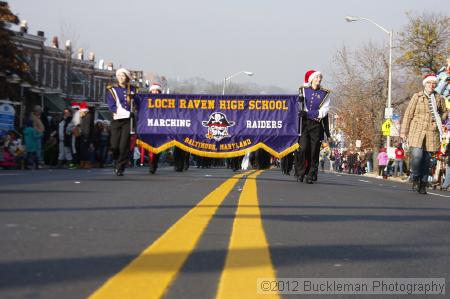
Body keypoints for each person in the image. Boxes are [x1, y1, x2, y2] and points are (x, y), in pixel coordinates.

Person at [400, 73, 447, 194]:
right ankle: (415, 177)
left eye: (433, 83)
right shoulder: (417, 96)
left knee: (427, 161)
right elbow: (408, 114)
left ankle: (423, 184)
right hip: (417, 131)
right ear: (425, 84)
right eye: (429, 83)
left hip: (432, 133)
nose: (431, 85)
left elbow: (444, 113)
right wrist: (403, 131)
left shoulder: (439, 98)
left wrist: (441, 117)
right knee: (417, 156)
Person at [295, 69, 330, 184]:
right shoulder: (303, 90)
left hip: (316, 124)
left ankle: (310, 175)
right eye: (317, 77)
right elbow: (298, 105)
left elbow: (324, 112)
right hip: (304, 124)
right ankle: (301, 172)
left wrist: (309, 113)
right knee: (303, 149)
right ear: (311, 79)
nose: (319, 80)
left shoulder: (325, 94)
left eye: (320, 78)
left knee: (314, 151)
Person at [106, 68, 139, 176]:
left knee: (124, 145)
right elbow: (112, 107)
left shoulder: (133, 89)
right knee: (115, 145)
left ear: (127, 78)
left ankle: (120, 167)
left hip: (128, 121)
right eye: (119, 75)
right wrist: (126, 113)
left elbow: (139, 104)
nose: (121, 77)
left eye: (123, 76)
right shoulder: (112, 90)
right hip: (117, 119)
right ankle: (116, 160)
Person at [79, 101, 95, 168]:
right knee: (83, 149)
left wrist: (86, 136)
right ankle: (84, 163)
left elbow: (86, 126)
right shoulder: (85, 115)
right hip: (84, 134)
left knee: (84, 150)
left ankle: (86, 163)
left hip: (85, 135)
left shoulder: (87, 115)